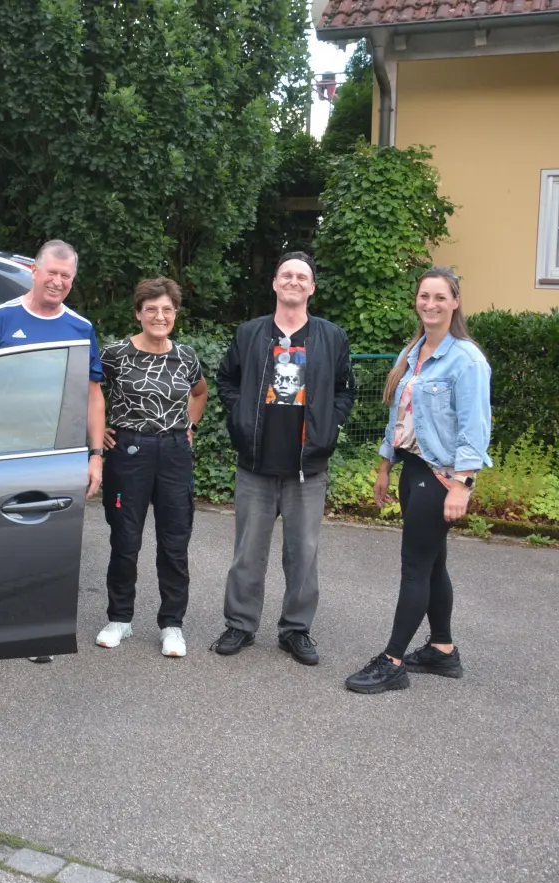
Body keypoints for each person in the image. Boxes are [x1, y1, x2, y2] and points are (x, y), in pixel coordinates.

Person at [0, 239, 105, 678]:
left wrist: (94, 455)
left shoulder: (81, 327)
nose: (58, 281)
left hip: (54, 452)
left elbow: (94, 395)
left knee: (40, 545)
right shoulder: (0, 318)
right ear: (34, 272)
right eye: (52, 273)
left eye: (67, 276)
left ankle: (31, 633)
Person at [346, 267, 492, 694]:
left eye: (440, 297)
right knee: (433, 564)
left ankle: (392, 661)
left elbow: (474, 427)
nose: (430, 303)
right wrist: (385, 465)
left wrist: (463, 484)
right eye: (424, 296)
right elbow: (399, 417)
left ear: (455, 302)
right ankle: (442, 650)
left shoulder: (466, 359)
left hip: (441, 477)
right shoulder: (412, 353)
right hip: (412, 469)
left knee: (415, 568)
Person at [212, 252, 355, 666]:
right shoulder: (251, 333)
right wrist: (240, 418)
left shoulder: (331, 337)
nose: (294, 281)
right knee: (247, 552)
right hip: (255, 465)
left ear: (312, 287)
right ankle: (240, 624)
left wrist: (331, 425)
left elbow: (346, 389)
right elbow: (226, 379)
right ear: (275, 283)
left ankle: (295, 630)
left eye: (302, 276)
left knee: (303, 553)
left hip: (307, 469)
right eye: (286, 275)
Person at [94, 278, 206, 657]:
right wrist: (97, 430)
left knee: (175, 543)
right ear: (138, 313)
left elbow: (200, 392)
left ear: (175, 313)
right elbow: (87, 393)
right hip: (128, 453)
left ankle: (172, 625)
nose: (160, 316)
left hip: (174, 453)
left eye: (167, 309)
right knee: (125, 540)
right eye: (152, 309)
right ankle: (120, 618)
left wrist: (190, 425)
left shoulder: (187, 357)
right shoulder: (114, 354)